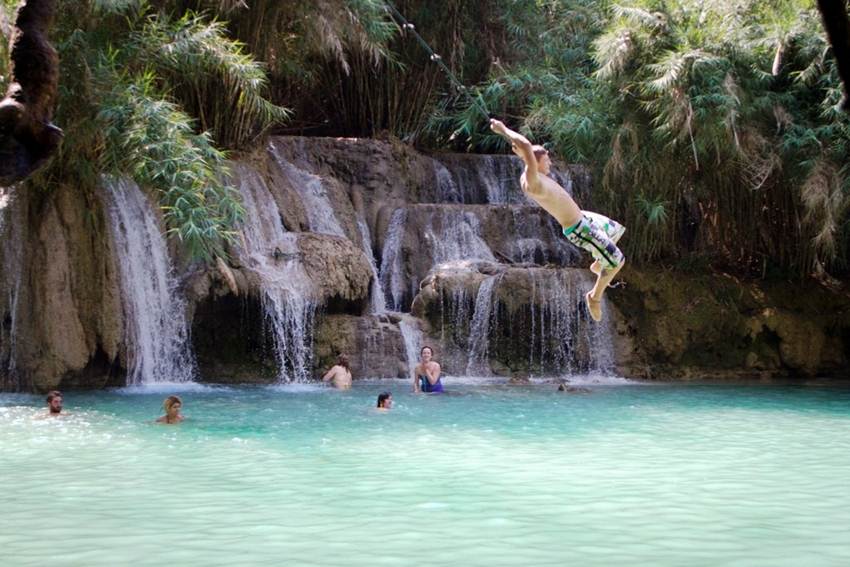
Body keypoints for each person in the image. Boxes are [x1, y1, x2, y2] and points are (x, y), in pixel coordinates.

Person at [489, 118, 626, 322]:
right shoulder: (532, 182)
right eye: (547, 160)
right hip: (579, 229)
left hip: (585, 217)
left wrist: (521, 151)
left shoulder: (535, 173)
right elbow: (526, 148)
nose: (550, 162)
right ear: (535, 163)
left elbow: (525, 151)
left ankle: (599, 262)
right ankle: (594, 297)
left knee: (616, 230)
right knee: (617, 260)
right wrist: (503, 130)